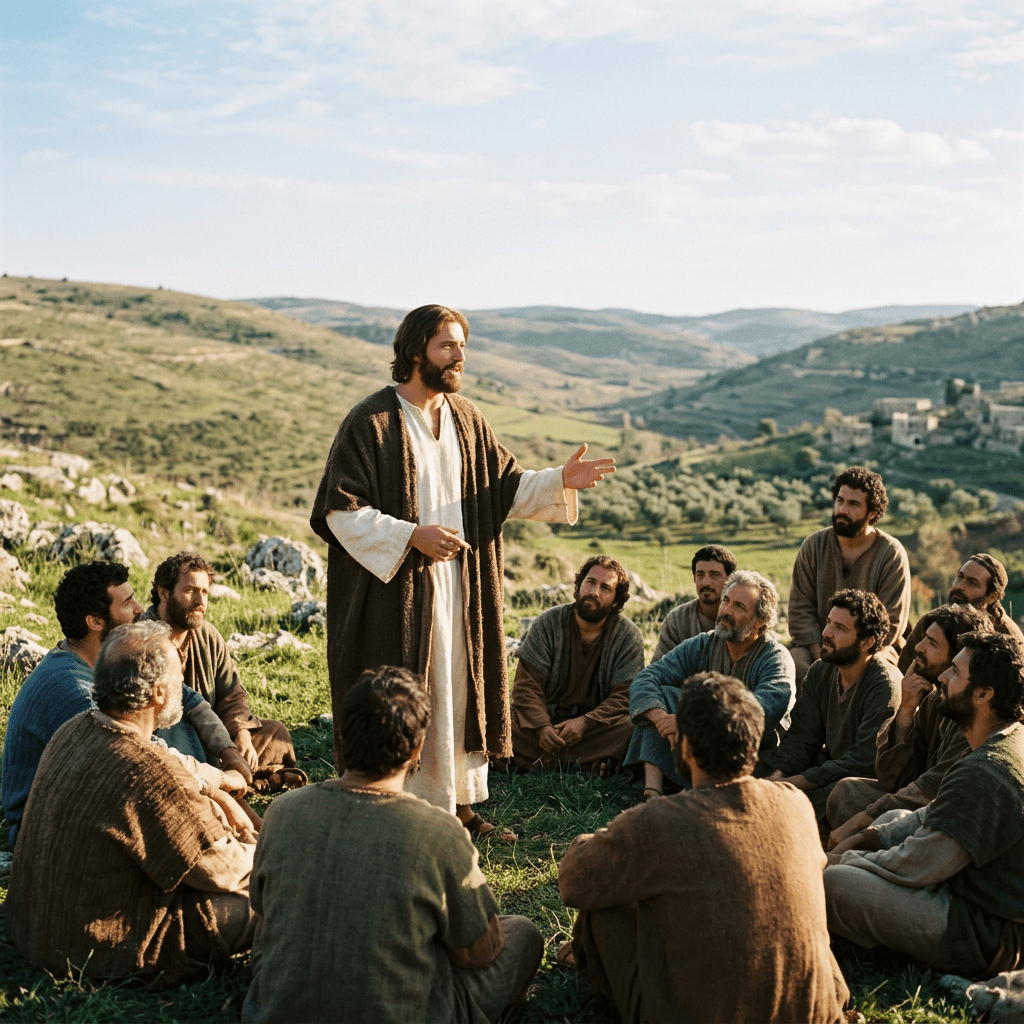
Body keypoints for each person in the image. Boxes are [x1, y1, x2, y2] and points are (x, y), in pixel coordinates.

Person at [309, 304, 614, 837]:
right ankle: (391, 803)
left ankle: (461, 810)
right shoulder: (372, 421)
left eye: (462, 346)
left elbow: (503, 488)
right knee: (404, 689)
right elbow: (340, 511)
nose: (459, 357)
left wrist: (558, 480)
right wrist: (410, 535)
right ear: (414, 350)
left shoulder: (467, 418)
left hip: (461, 590)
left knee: (456, 689)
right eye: (447, 346)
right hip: (396, 592)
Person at [242, 666, 543, 1024]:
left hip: (276, 1010)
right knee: (522, 933)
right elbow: (477, 953)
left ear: (341, 736)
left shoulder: (282, 811)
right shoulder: (438, 831)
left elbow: (263, 920)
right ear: (417, 749)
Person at [558, 672, 850, 1024]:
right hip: (809, 1012)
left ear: (686, 746)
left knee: (602, 909)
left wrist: (611, 836)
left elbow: (574, 880)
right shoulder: (797, 806)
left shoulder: (660, 822)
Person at [5, 621, 257, 986]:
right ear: (157, 693)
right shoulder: (148, 774)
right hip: (96, 951)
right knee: (274, 893)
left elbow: (174, 763)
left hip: (36, 927)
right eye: (178, 676)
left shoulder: (76, 728)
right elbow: (226, 871)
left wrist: (218, 786)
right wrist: (257, 840)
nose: (182, 684)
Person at [1, 561, 246, 845]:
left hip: (93, 798)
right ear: (95, 622)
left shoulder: (107, 660)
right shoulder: (72, 688)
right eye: (128, 602)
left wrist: (228, 751)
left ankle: (225, 820)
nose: (141, 608)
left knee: (173, 717)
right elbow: (143, 756)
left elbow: (184, 695)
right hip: (47, 824)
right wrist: (219, 781)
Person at [825, 631, 1024, 978]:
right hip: (971, 898)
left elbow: (919, 866)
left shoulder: (986, 771)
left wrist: (847, 859)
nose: (943, 676)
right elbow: (935, 813)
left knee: (835, 882)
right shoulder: (1006, 740)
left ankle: (883, 948)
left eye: (956, 672)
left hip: (984, 934)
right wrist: (872, 835)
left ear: (983, 694)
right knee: (895, 816)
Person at [826, 603, 988, 847]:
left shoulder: (975, 713)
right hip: (915, 801)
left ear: (958, 658)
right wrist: (906, 711)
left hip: (943, 813)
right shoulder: (935, 699)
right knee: (846, 791)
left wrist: (862, 820)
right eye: (923, 638)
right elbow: (894, 779)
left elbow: (931, 789)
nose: (918, 648)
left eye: (932, 644)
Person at [625, 570, 795, 799]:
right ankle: (651, 791)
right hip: (694, 746)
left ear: (760, 622)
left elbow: (760, 712)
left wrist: (688, 723)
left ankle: (692, 790)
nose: (726, 610)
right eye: (726, 601)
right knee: (662, 695)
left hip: (749, 756)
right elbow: (647, 677)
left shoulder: (776, 658)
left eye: (739, 606)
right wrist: (662, 719)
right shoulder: (704, 643)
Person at [145, 551, 302, 790]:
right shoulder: (139, 638)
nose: (200, 601)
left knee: (275, 734)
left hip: (215, 735)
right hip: (169, 740)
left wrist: (241, 733)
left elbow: (232, 694)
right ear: (164, 592)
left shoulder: (208, 636)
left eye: (205, 592)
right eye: (190, 591)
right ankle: (242, 782)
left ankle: (237, 779)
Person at [759, 589, 902, 830]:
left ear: (866, 642)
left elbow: (863, 760)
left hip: (862, 781)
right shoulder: (820, 671)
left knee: (828, 798)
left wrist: (795, 784)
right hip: (828, 769)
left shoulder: (884, 686)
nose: (826, 633)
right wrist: (778, 775)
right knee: (757, 770)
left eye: (840, 628)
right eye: (828, 623)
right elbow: (802, 738)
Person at [509, 556, 644, 772]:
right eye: (590, 582)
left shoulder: (628, 635)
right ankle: (588, 764)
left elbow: (625, 695)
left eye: (605, 588)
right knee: (497, 720)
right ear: (579, 585)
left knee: (633, 727)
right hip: (546, 724)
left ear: (616, 600)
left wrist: (585, 722)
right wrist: (542, 727)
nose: (594, 592)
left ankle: (537, 761)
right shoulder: (547, 623)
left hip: (595, 728)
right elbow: (527, 686)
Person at [789, 466, 910, 683]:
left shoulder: (891, 554)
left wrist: (851, 661)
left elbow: (891, 623)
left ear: (872, 513)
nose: (843, 509)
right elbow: (800, 611)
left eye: (853, 504)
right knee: (796, 666)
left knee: (880, 674)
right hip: (819, 646)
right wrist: (824, 659)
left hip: (871, 649)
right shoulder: (814, 546)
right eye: (840, 501)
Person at [898, 554, 1024, 672]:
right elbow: (903, 670)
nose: (959, 586)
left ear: (991, 597)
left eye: (972, 583)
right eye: (960, 577)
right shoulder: (932, 622)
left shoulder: (1007, 638)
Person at [650, 544, 737, 662]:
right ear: (694, 579)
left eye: (714, 575)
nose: (706, 582)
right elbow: (658, 669)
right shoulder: (677, 619)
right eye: (700, 575)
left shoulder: (743, 617)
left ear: (730, 580)